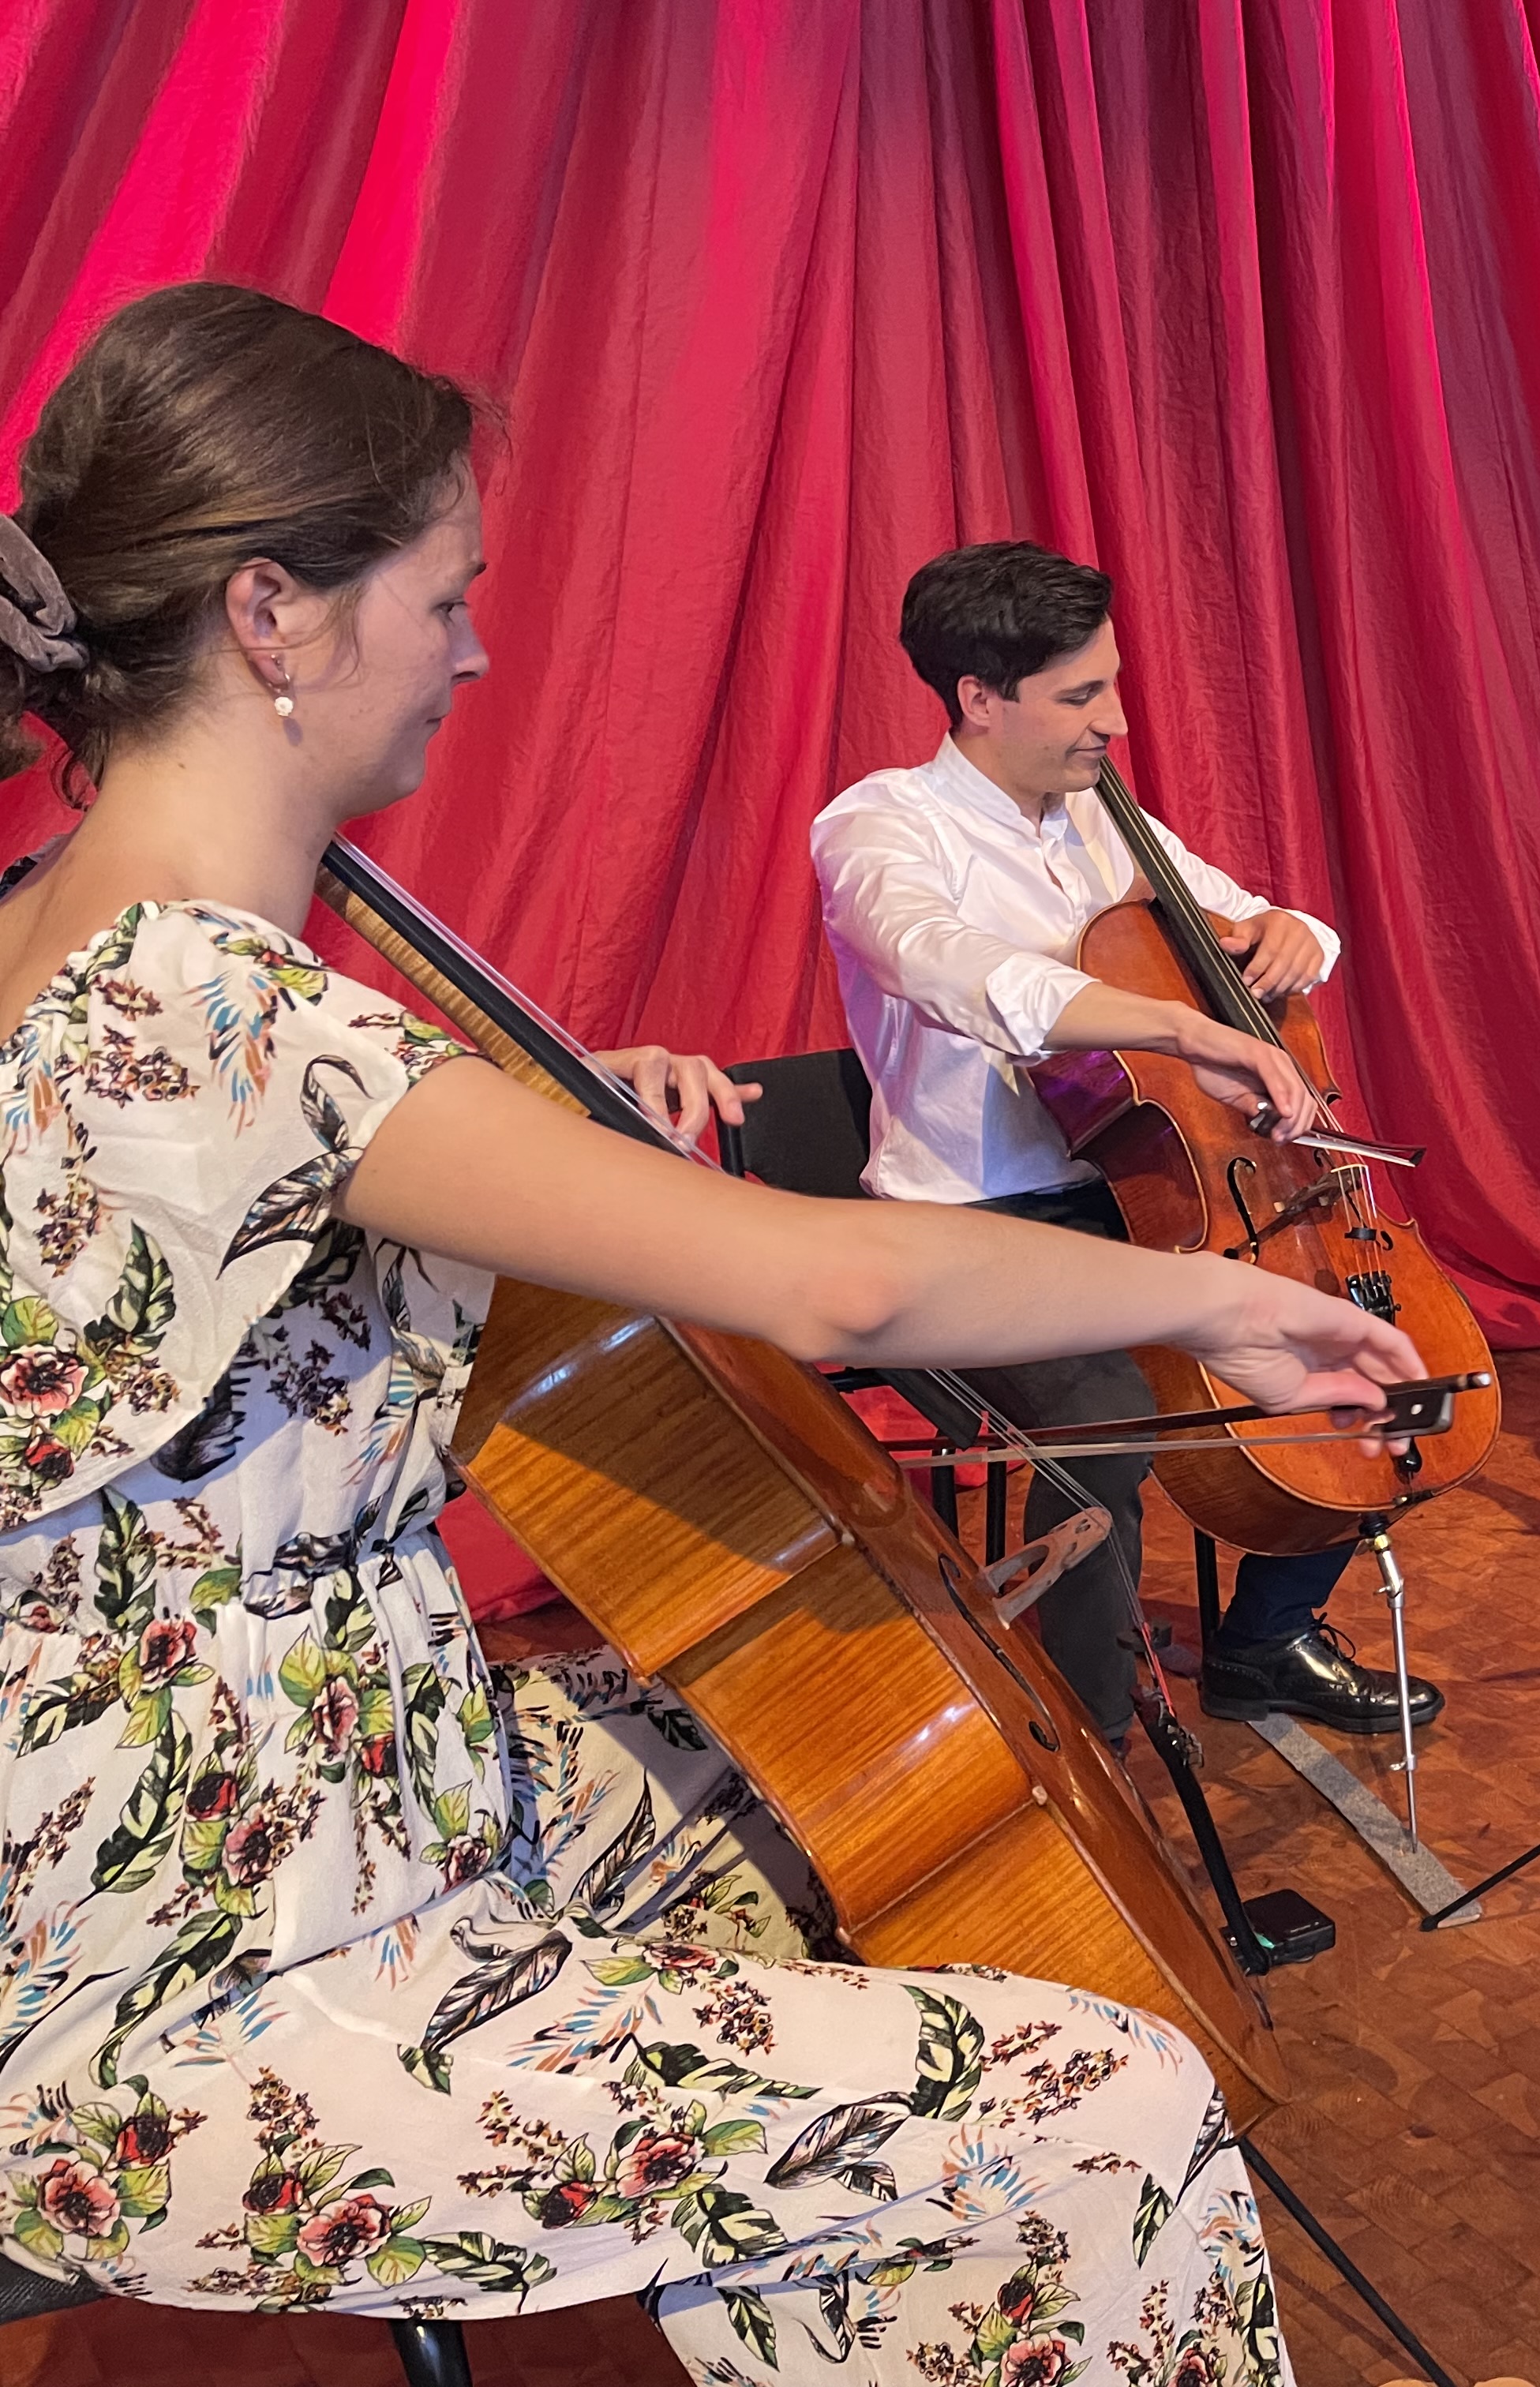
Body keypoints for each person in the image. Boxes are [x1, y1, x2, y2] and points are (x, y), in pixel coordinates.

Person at [0, 283, 1414, 2384]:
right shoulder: (235, 1013)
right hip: (204, 1949)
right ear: (272, 615)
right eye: (444, 598)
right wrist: (1227, 1299)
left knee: (788, 1757)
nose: (474, 651)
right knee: (1103, 2111)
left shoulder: (61, 925)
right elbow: (837, 1282)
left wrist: (558, 1122)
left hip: (200, 1783)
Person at [811, 544, 1433, 1741]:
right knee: (1104, 1432)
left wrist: (1291, 932)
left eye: (1113, 685)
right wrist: (1176, 1025)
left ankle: (1267, 1640)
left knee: (1363, 1356)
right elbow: (950, 967)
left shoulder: (1108, 818)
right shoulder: (880, 827)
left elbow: (1273, 921)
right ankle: (1089, 1749)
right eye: (1082, 694)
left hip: (1144, 1193)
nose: (1119, 720)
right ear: (980, 697)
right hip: (971, 1223)